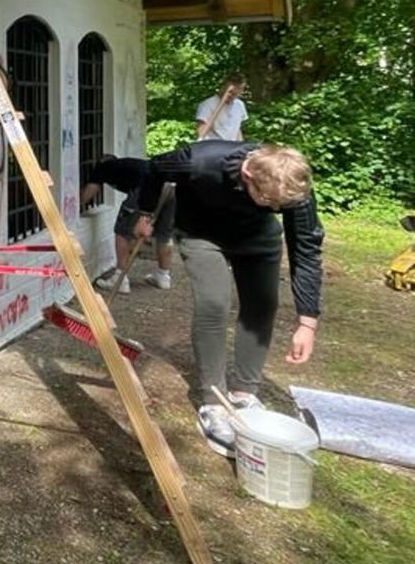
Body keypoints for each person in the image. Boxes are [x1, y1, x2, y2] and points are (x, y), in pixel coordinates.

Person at [132, 141, 323, 456]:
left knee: (262, 305)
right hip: (201, 234)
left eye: (280, 206)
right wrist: (144, 211)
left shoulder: (291, 187)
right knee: (213, 305)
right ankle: (214, 401)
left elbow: (306, 249)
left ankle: (245, 393)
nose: (275, 209)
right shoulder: (197, 161)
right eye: (267, 200)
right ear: (248, 172)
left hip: (258, 239)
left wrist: (308, 321)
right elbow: (154, 168)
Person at [78, 154, 176, 294]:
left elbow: (88, 194)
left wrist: (73, 205)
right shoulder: (129, 165)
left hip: (146, 188)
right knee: (164, 235)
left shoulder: (103, 167)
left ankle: (120, 280)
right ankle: (163, 276)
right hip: (170, 188)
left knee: (122, 231)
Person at [195, 73, 248, 141]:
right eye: (230, 92)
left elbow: (237, 129)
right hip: (213, 146)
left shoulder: (240, 105)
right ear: (223, 87)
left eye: (236, 94)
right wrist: (221, 103)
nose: (232, 96)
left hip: (232, 147)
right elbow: (201, 134)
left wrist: (241, 145)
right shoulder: (207, 105)